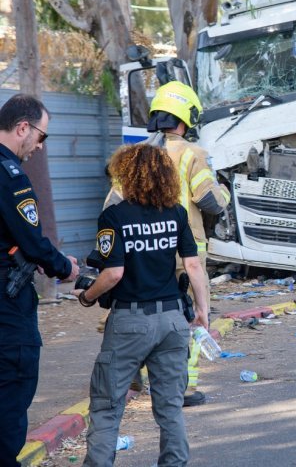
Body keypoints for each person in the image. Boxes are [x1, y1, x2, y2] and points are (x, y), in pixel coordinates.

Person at [74, 144, 209, 466]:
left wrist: (87, 295)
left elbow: (113, 272)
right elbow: (193, 266)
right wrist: (203, 309)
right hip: (173, 321)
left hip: (130, 323)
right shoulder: (176, 213)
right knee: (170, 409)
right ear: (165, 176)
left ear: (127, 175)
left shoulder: (114, 217)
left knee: (106, 408)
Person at [105, 81, 230, 407]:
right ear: (186, 118)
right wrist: (226, 192)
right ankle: (182, 388)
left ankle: (133, 378)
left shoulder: (134, 158)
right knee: (188, 317)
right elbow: (210, 202)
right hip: (184, 254)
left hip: (140, 253)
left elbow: (110, 208)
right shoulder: (193, 155)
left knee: (138, 312)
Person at [0, 95, 80, 463]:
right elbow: (32, 242)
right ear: (22, 129)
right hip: (7, 313)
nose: (40, 145)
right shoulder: (11, 176)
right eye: (41, 136)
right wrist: (65, 267)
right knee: (11, 401)